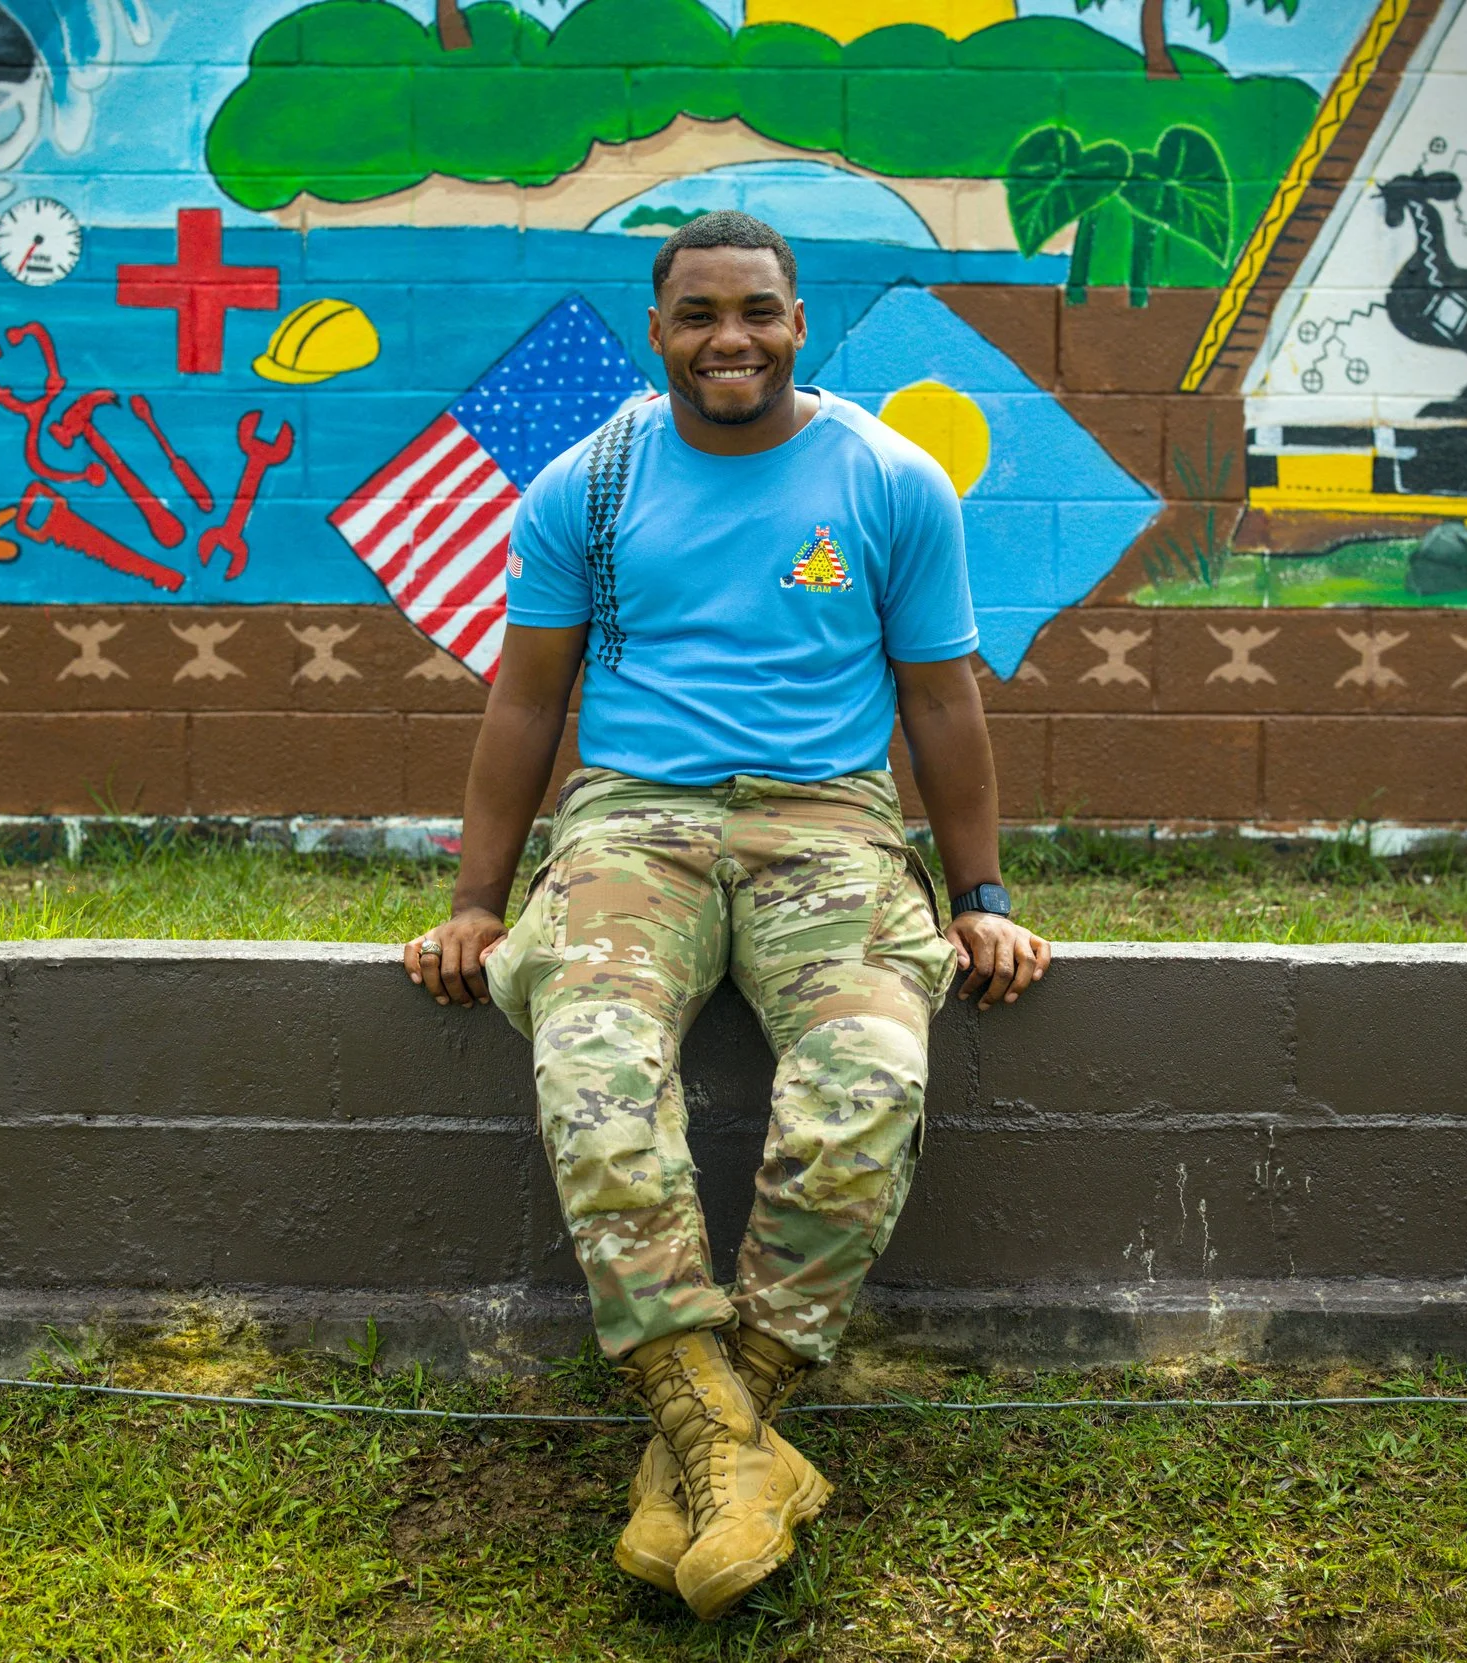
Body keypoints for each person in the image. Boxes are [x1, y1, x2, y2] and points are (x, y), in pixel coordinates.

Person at [402, 210, 1052, 1619]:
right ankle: (728, 1439)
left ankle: (707, 1429)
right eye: (698, 315)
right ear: (659, 331)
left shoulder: (890, 479)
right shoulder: (590, 483)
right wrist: (475, 900)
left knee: (868, 1080)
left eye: (755, 309)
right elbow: (526, 698)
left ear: (799, 319)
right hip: (634, 817)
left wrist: (985, 896)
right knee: (590, 1070)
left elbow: (943, 698)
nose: (729, 340)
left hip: (829, 821)